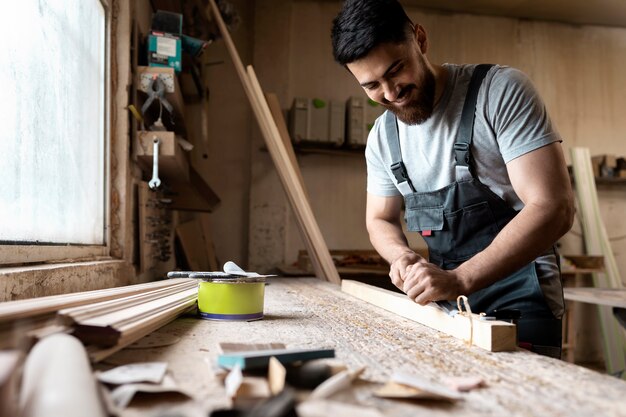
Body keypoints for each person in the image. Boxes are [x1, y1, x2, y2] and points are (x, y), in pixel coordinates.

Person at [331, 0, 575, 358]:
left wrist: (460, 279)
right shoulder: (383, 137)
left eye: (396, 70)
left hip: (522, 307)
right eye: (371, 86)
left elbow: (554, 207)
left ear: (420, 39)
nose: (390, 92)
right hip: (447, 312)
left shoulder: (499, 92)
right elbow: (379, 218)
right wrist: (401, 257)